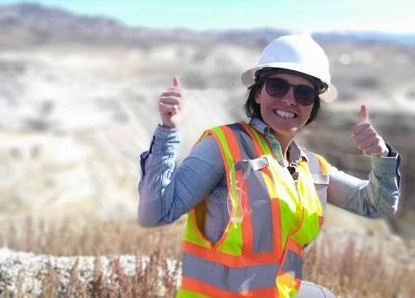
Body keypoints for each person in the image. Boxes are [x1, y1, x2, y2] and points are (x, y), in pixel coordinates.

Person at [138, 34, 401, 298]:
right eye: (277, 86)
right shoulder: (223, 147)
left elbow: (375, 204)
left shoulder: (312, 168)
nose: (289, 99)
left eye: (304, 93)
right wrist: (168, 131)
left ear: (313, 106)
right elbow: (156, 213)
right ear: (258, 93)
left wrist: (381, 156)